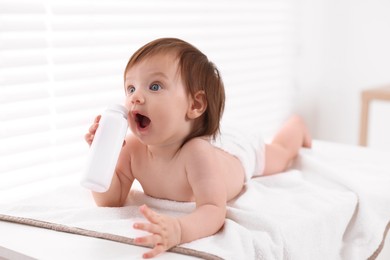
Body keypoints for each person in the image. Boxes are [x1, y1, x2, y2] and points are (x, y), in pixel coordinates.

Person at [84, 37, 312, 258]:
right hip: (210, 139)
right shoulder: (133, 149)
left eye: (154, 86)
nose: (136, 97)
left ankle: (296, 126)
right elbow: (110, 200)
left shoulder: (196, 154)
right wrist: (102, 157)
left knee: (281, 154)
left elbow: (213, 210)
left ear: (195, 104)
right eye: (130, 88)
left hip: (236, 151)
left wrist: (179, 230)